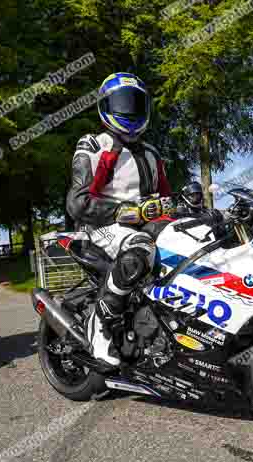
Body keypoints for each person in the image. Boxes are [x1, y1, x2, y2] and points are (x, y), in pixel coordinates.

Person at [66, 72, 172, 368]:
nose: (130, 111)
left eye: (136, 103)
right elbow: (78, 202)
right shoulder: (95, 146)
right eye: (123, 103)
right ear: (106, 106)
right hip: (98, 228)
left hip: (142, 227)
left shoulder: (152, 153)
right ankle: (99, 327)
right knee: (140, 248)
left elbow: (165, 199)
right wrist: (127, 212)